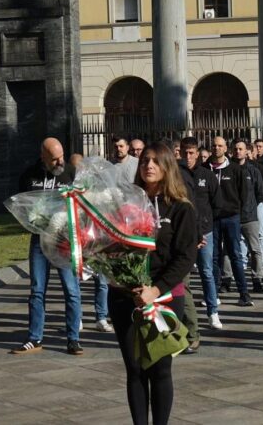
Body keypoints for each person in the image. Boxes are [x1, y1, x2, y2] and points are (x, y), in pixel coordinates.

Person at [108, 141, 197, 424]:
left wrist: (155, 289)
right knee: (134, 369)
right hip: (126, 297)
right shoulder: (126, 205)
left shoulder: (181, 209)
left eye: (156, 161)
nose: (149, 165)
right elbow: (111, 247)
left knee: (160, 369)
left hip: (164, 298)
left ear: (168, 167)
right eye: (145, 160)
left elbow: (185, 257)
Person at [12, 137, 83, 355]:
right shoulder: (29, 175)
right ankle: (34, 337)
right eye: (54, 159)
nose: (59, 162)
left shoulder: (70, 173)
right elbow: (22, 206)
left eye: (61, 157)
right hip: (40, 239)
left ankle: (73, 339)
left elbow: (82, 204)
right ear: (43, 157)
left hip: (63, 239)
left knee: (71, 290)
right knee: (37, 289)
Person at [67, 153, 114, 333]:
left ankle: (101, 317)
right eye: (75, 168)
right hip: (78, 241)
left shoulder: (96, 187)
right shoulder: (68, 189)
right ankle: (76, 318)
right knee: (75, 283)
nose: (79, 171)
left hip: (98, 240)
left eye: (82, 167)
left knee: (102, 281)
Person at [181, 137, 223, 330]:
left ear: (197, 154)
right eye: (185, 152)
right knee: (183, 275)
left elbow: (217, 204)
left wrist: (207, 223)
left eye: (191, 153)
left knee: (207, 272)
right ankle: (184, 316)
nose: (188, 156)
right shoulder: (176, 174)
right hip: (183, 233)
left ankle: (213, 311)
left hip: (205, 232)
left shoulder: (207, 175)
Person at [206, 136, 254, 306]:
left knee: (235, 255)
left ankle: (244, 293)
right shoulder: (205, 169)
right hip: (212, 219)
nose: (216, 148)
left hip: (231, 218)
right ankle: (213, 293)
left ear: (226, 148)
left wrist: (237, 212)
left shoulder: (235, 169)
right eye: (214, 145)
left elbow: (244, 194)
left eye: (220, 145)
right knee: (214, 257)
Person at [232, 139, 263, 293]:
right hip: (232, 215)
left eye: (241, 149)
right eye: (236, 149)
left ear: (246, 151)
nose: (238, 151)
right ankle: (227, 278)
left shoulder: (253, 170)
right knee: (230, 249)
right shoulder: (228, 169)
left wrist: (251, 205)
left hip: (250, 216)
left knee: (255, 249)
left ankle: (257, 277)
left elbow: (260, 192)